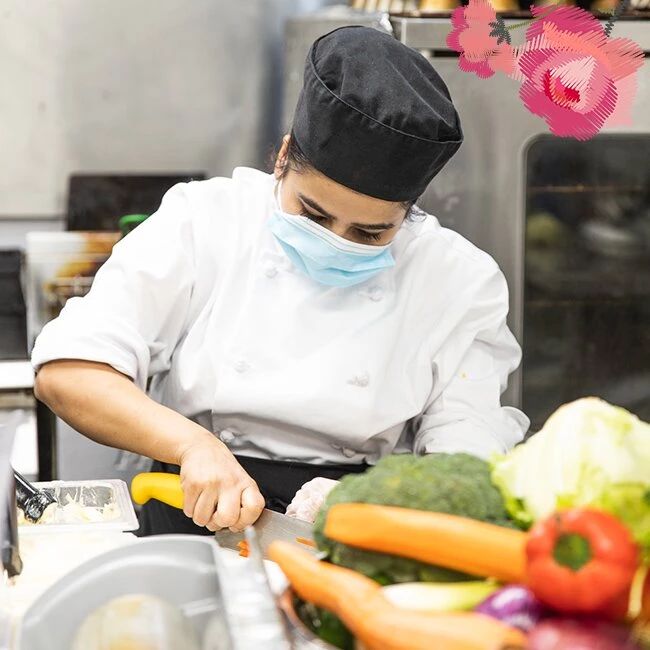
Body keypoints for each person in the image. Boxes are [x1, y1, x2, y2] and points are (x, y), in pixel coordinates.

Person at [31, 26, 530, 537]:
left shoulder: (458, 279)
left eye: (370, 232)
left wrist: (392, 500)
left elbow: (468, 441)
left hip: (358, 525)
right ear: (283, 156)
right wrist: (193, 446)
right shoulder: (203, 221)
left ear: (409, 212)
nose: (337, 240)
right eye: (312, 215)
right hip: (193, 508)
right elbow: (67, 373)